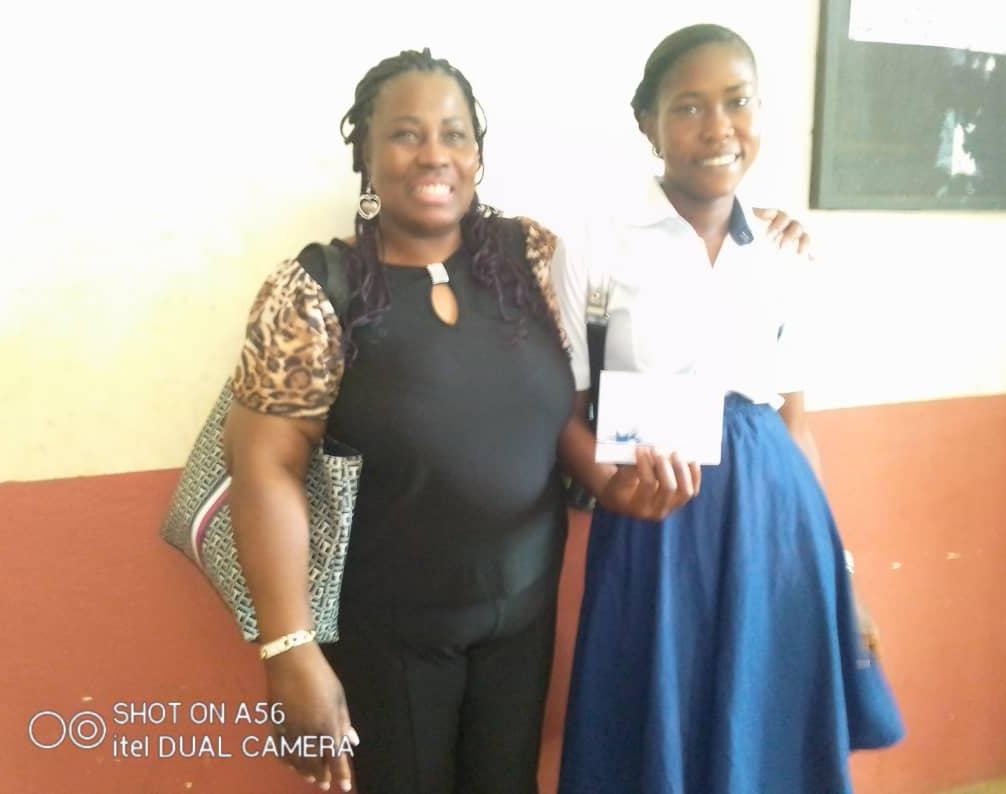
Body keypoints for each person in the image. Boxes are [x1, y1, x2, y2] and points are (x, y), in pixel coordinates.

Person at [221, 47, 810, 794]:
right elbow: (265, 466)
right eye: (404, 135)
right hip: (390, 633)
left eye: (455, 134)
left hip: (522, 620)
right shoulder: (317, 289)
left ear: (478, 152)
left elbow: (565, 404)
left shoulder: (527, 256)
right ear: (364, 154)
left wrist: (752, 226)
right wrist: (289, 649)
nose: (434, 154)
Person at [552, 24, 905, 794]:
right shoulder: (597, 242)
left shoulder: (783, 250)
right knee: (652, 722)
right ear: (647, 123)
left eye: (738, 102)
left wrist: (842, 574)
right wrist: (614, 491)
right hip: (652, 515)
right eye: (688, 107)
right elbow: (565, 412)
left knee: (767, 727)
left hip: (775, 522)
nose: (718, 127)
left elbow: (795, 424)